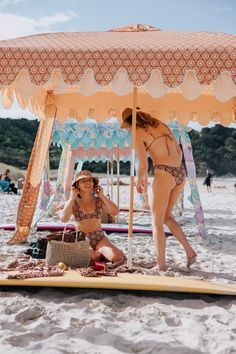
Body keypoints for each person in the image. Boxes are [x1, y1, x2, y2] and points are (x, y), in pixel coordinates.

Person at [121, 108, 197, 271]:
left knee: (156, 223)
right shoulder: (162, 125)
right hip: (179, 172)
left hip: (164, 173)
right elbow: (178, 150)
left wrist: (141, 180)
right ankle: (190, 251)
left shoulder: (138, 133)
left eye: (127, 126)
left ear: (129, 123)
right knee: (166, 217)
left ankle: (161, 265)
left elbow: (143, 164)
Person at [60, 170, 124, 264]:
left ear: (94, 183)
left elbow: (115, 211)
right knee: (92, 258)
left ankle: (100, 252)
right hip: (82, 239)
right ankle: (98, 254)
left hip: (99, 237)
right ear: (77, 185)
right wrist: (72, 197)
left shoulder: (99, 200)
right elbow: (63, 219)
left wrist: (102, 196)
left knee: (117, 258)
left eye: (90, 180)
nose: (87, 182)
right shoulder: (73, 202)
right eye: (83, 181)